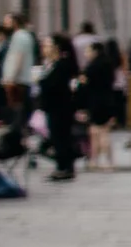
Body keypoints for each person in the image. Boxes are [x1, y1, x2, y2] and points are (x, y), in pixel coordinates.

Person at [37, 34, 80, 182]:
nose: (44, 48)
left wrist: (41, 81)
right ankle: (62, 166)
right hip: (52, 107)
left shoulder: (62, 65)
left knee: (61, 137)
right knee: (57, 136)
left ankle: (65, 167)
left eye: (48, 45)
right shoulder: (50, 64)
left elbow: (55, 85)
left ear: (56, 47)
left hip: (61, 107)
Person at [80, 40, 123, 171]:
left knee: (99, 132)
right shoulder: (108, 64)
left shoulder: (92, 66)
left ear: (95, 51)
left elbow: (84, 83)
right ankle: (100, 160)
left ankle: (102, 161)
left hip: (96, 101)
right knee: (100, 132)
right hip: (107, 100)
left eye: (87, 51)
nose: (85, 54)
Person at [0, 14, 37, 111]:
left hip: (18, 80)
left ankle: (18, 125)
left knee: (17, 107)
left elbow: (18, 57)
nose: (4, 25)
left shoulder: (19, 36)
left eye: (7, 23)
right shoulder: (22, 36)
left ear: (14, 23)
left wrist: (11, 78)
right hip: (19, 79)